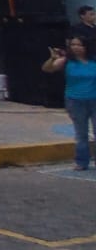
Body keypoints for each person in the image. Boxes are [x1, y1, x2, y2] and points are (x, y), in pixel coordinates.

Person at [42, 36, 94, 170]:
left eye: (79, 45)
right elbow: (48, 69)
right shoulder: (66, 61)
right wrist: (53, 58)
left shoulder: (93, 61)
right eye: (73, 45)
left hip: (94, 99)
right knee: (81, 133)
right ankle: (82, 161)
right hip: (75, 101)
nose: (76, 47)